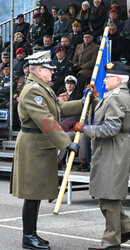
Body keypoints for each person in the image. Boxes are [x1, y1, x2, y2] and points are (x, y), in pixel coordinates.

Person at [10, 50, 82, 250]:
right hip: (34, 146)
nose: (52, 73)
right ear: (40, 70)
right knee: (32, 194)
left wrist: (82, 104)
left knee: (36, 193)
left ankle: (31, 234)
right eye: (49, 70)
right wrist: (66, 143)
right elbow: (45, 120)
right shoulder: (34, 90)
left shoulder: (41, 87)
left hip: (40, 144)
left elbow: (57, 109)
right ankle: (28, 237)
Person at [75, 62, 130, 249]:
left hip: (113, 150)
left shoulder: (116, 97)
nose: (104, 79)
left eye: (108, 77)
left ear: (118, 80)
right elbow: (106, 113)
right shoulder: (116, 96)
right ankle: (125, 229)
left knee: (109, 196)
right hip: (112, 149)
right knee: (108, 194)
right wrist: (94, 99)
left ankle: (111, 240)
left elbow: (110, 128)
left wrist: (85, 129)